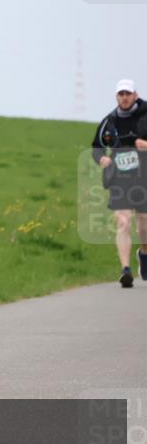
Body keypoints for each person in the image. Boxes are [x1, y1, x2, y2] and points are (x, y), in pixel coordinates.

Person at [91, 78, 147, 287]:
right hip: (120, 178)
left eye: (128, 94)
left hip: (143, 175)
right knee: (123, 221)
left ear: (135, 95)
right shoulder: (109, 121)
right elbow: (96, 147)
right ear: (117, 97)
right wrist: (102, 159)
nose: (124, 98)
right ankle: (125, 270)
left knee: (144, 222)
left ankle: (144, 253)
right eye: (121, 94)